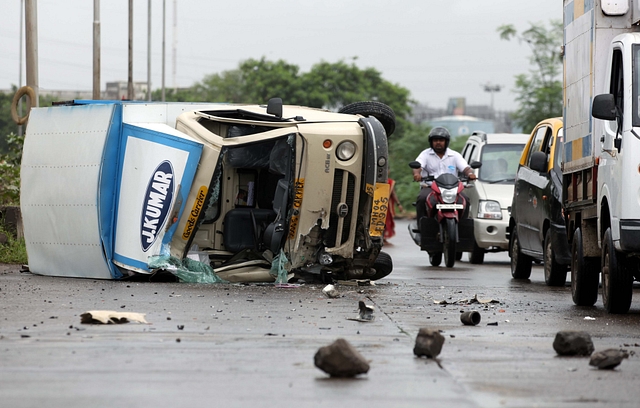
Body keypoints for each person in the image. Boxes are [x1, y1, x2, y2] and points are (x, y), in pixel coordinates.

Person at [412, 126, 476, 221]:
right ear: (431, 142)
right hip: (431, 188)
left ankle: (462, 226)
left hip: (452, 189)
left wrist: (470, 174)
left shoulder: (454, 155)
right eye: (435, 140)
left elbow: (465, 168)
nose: (438, 142)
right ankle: (422, 226)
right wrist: (417, 174)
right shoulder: (425, 154)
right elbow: (418, 166)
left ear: (446, 142)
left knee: (465, 200)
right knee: (422, 198)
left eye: (441, 140)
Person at [384, 178, 403, 243]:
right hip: (382, 205)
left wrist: (398, 204)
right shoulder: (388, 181)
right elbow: (393, 194)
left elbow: (393, 194)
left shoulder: (389, 182)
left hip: (384, 205)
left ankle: (383, 236)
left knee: (386, 221)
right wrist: (398, 204)